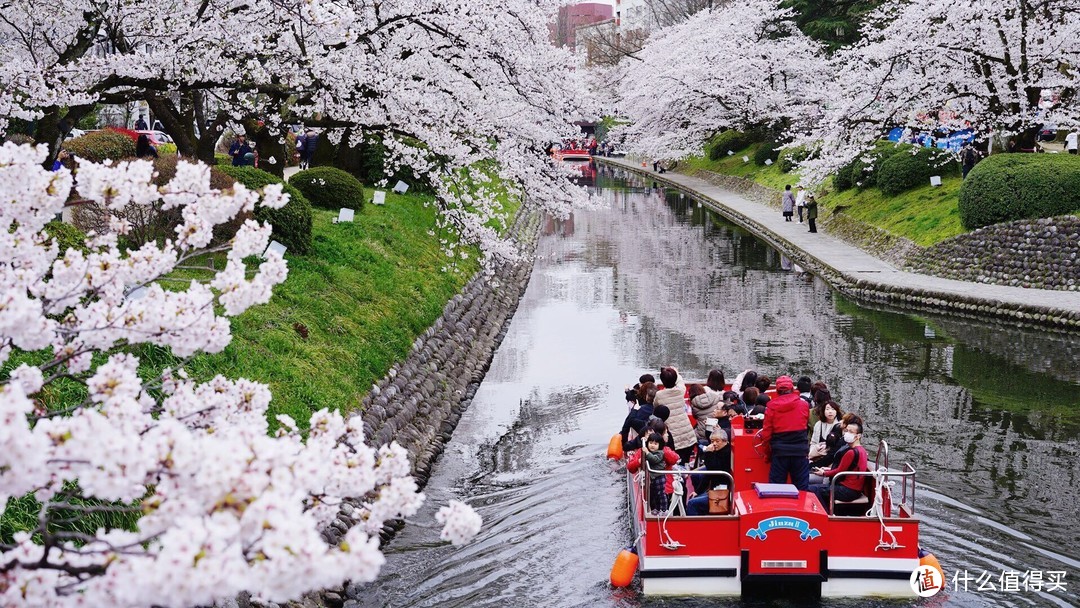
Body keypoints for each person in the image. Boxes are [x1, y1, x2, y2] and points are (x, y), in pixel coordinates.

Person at [758, 375, 811, 490]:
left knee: (776, 489)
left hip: (780, 453)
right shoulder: (804, 405)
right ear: (792, 389)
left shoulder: (771, 407)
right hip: (800, 452)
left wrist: (767, 454)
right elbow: (805, 426)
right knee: (802, 489)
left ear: (777, 391)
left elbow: (766, 434)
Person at [810, 420, 868, 513]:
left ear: (858, 436)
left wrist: (824, 473)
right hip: (854, 490)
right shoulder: (862, 450)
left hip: (847, 490)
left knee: (813, 489)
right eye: (846, 431)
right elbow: (847, 468)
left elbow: (839, 471)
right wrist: (828, 469)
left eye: (851, 432)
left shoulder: (851, 452)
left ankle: (825, 514)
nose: (847, 434)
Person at [627, 432, 680, 515]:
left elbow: (654, 459)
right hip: (653, 477)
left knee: (661, 494)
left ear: (660, 445)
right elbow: (630, 467)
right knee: (655, 494)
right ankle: (657, 509)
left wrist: (647, 452)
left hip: (659, 476)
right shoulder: (646, 451)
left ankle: (664, 510)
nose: (652, 445)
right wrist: (640, 459)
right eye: (650, 443)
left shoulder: (660, 453)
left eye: (655, 444)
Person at [654, 366, 697, 465]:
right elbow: (680, 381)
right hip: (687, 434)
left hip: (673, 437)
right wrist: (676, 372)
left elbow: (655, 408)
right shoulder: (681, 390)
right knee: (685, 464)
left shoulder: (659, 395)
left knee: (674, 466)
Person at [686, 429, 732, 515]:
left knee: (692, 504)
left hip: (721, 492)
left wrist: (708, 453)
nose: (714, 444)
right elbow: (709, 472)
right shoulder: (717, 451)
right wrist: (697, 491)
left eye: (717, 441)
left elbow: (713, 469)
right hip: (713, 487)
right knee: (696, 476)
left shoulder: (726, 453)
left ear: (725, 441)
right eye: (712, 441)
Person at [808, 401, 844, 484]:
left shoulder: (840, 426)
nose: (830, 412)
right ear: (823, 411)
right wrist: (813, 453)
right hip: (816, 458)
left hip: (831, 462)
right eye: (827, 409)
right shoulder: (818, 424)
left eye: (833, 409)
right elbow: (813, 442)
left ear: (837, 411)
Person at [619, 382, 657, 451]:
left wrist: (624, 445)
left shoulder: (638, 409)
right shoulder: (660, 409)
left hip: (640, 439)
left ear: (646, 396)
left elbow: (627, 425)